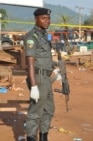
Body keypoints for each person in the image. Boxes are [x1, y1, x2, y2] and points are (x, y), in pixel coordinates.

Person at [24, 8, 60, 141]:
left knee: (48, 109)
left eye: (48, 18)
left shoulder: (45, 35)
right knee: (36, 112)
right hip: (38, 78)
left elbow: (46, 57)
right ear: (36, 19)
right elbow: (30, 63)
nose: (47, 21)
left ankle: (43, 137)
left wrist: (55, 69)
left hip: (46, 78)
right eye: (43, 18)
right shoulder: (31, 37)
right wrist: (33, 86)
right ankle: (31, 138)